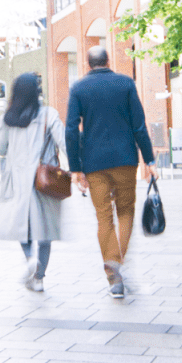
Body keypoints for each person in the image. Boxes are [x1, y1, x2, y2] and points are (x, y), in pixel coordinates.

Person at [66, 46, 157, 299]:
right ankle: (117, 263)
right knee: (125, 211)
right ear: (108, 60)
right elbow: (139, 125)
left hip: (94, 164)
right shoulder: (125, 84)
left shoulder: (79, 88)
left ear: (87, 63)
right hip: (126, 159)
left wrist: (75, 168)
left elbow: (71, 130)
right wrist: (149, 159)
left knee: (103, 217)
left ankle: (112, 273)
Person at [0, 74, 65, 292]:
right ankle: (39, 278)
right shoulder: (49, 114)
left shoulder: (8, 118)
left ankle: (30, 258)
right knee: (45, 230)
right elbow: (63, 141)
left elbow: (0, 148)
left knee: (23, 226)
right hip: (44, 179)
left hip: (18, 179)